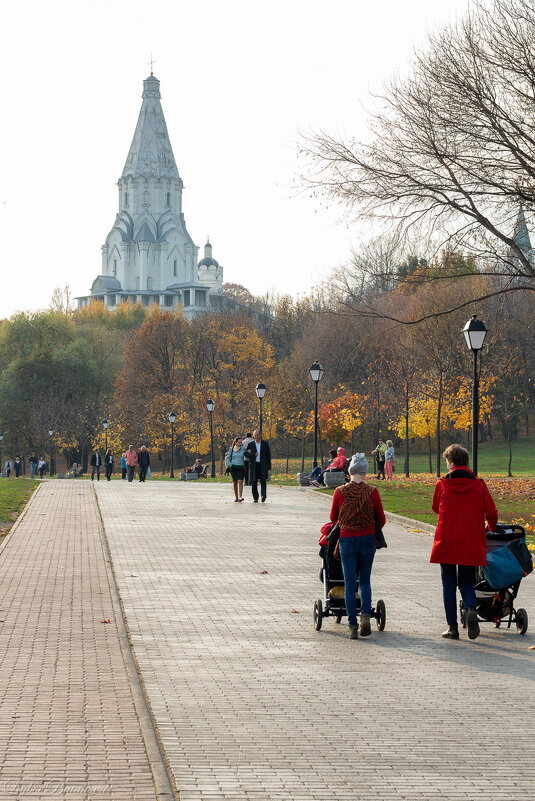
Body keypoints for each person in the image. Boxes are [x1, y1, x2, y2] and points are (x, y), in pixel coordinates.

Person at [431, 443, 498, 641]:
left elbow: (436, 508)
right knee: (467, 581)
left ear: (451, 462)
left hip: (447, 540)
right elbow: (492, 512)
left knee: (448, 584)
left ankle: (452, 627)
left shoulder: (442, 484)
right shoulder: (479, 484)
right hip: (470, 539)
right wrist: (492, 528)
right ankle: (470, 608)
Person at [329, 453, 386, 639]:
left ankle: (352, 625)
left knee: (349, 583)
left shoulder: (339, 492)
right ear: (365, 472)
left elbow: (333, 518)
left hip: (347, 540)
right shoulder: (372, 492)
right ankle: (366, 616)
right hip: (368, 538)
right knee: (365, 581)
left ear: (350, 471)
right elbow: (382, 519)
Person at [245, 429, 271, 503]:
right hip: (254, 466)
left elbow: (268, 456)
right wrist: (253, 454)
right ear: (253, 436)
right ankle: (255, 498)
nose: (256, 436)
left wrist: (269, 467)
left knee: (263, 481)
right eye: (255, 435)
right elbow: (246, 454)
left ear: (260, 435)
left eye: (257, 435)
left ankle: (263, 495)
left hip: (263, 465)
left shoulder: (265, 444)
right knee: (254, 482)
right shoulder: (251, 444)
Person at [226, 437, 247, 502]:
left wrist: (249, 452)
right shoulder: (231, 449)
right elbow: (227, 458)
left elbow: (247, 455)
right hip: (234, 468)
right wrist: (230, 465)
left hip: (241, 467)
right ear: (235, 442)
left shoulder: (243, 449)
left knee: (240, 481)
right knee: (235, 482)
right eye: (239, 442)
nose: (240, 444)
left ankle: (240, 496)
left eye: (241, 442)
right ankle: (236, 497)